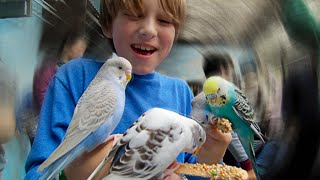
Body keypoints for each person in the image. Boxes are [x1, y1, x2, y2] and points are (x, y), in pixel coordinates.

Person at [25, 0, 232, 179]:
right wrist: (81, 172)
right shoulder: (73, 78)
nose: (149, 30)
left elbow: (190, 169)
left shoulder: (181, 93)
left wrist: (210, 156)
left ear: (176, 32)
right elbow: (39, 173)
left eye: (164, 20)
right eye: (134, 15)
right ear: (108, 24)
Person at [202, 53, 257, 180]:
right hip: (222, 161)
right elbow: (232, 137)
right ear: (223, 70)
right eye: (229, 73)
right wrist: (248, 167)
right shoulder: (220, 99)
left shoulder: (204, 95)